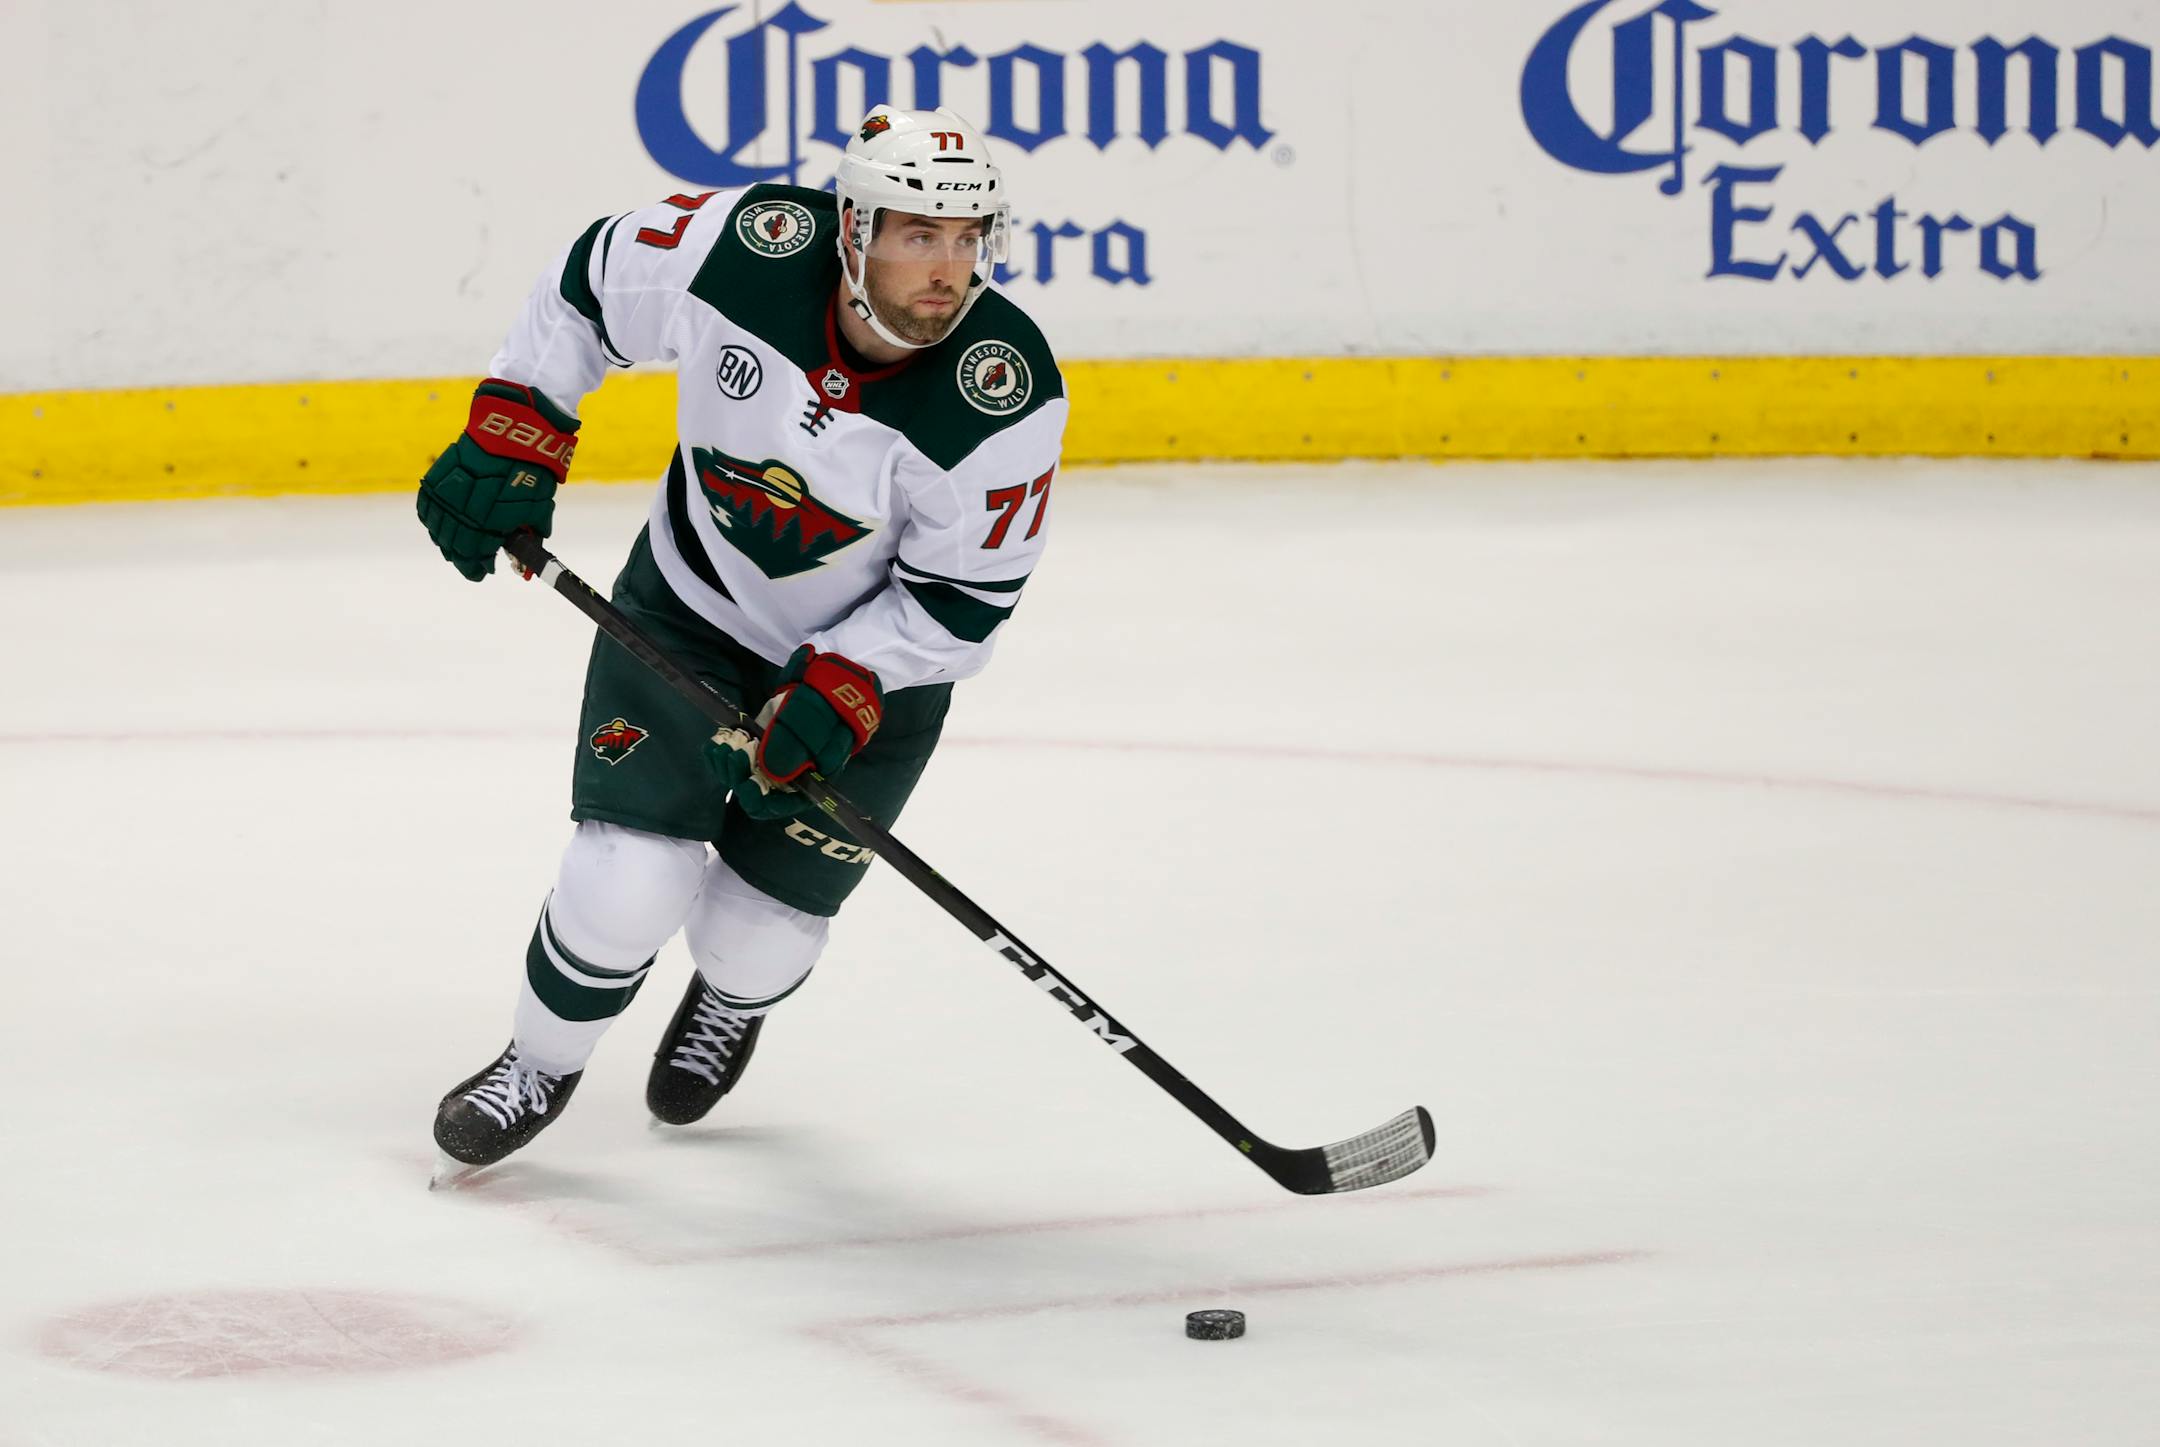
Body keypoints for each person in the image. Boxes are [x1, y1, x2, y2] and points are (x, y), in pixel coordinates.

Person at [415, 106, 1066, 1176]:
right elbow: (592, 283)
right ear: (851, 228)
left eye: (966, 238)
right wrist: (516, 425)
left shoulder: (1002, 394)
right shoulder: (746, 249)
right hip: (689, 607)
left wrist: (851, 680)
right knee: (625, 880)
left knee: (757, 937)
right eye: (917, 234)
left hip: (873, 681)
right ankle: (538, 1062)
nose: (948, 269)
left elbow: (960, 601)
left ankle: (728, 1000)